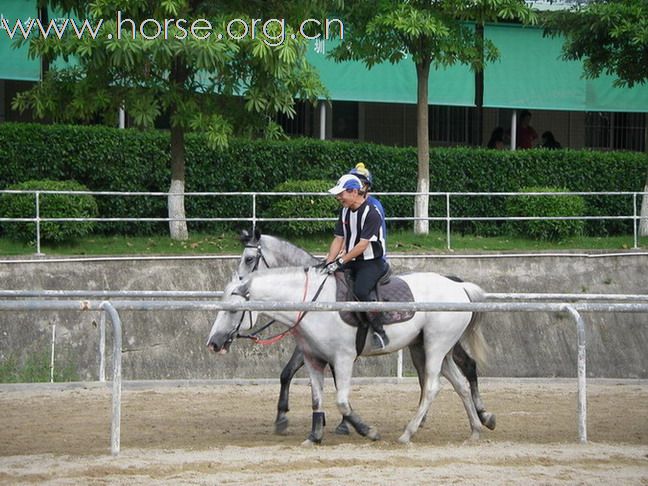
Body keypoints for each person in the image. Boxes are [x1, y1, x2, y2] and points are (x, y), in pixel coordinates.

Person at [325, 173, 390, 349]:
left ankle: (379, 330)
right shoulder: (344, 211)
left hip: (372, 262)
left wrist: (340, 261)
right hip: (352, 259)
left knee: (361, 291)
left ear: (354, 192)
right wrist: (327, 263)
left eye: (341, 194)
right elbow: (338, 239)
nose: (338, 198)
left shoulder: (372, 212)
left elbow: (362, 246)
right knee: (329, 281)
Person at [348, 163, 387, 256]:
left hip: (371, 258)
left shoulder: (374, 207)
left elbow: (365, 241)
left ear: (367, 187)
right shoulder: (348, 206)